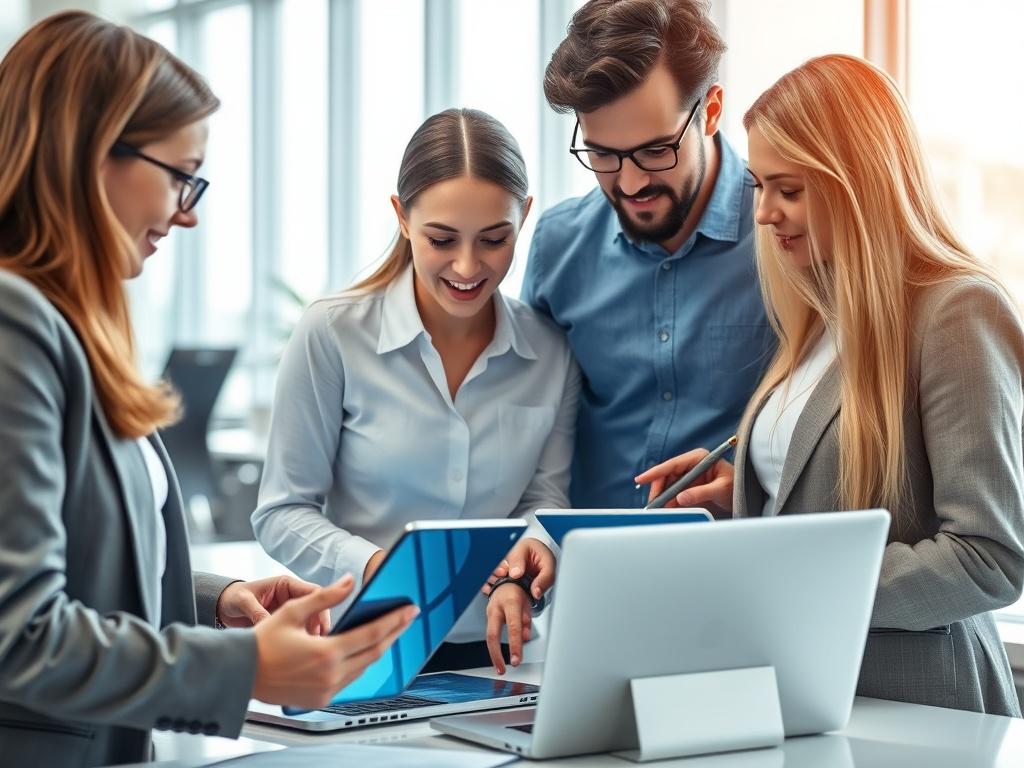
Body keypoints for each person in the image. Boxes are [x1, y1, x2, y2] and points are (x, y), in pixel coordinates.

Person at [0, 13, 418, 767]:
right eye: (179, 175)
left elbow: (80, 566)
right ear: (94, 153)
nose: (188, 213)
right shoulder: (14, 322)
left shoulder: (68, 324)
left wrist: (214, 601)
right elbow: (20, 635)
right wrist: (246, 668)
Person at [637, 54, 1024, 716]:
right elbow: (839, 501)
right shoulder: (820, 316)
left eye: (789, 190)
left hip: (919, 705)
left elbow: (988, 558)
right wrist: (749, 499)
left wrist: (794, 578)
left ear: (859, 183)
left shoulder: (957, 313)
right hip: (810, 692)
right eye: (759, 186)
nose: (765, 214)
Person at [251, 108, 580, 675]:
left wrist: (523, 573)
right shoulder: (333, 334)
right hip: (362, 649)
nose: (467, 266)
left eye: (495, 239)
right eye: (441, 239)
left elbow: (543, 499)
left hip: (500, 658)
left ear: (524, 218)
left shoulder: (550, 351)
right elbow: (282, 512)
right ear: (402, 217)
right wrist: (378, 566)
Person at [519, 0, 775, 510]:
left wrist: (752, 490)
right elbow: (530, 431)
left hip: (733, 548)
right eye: (603, 155)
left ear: (711, 112)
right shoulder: (558, 246)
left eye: (657, 151)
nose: (631, 183)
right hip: (583, 551)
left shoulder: (782, 234)